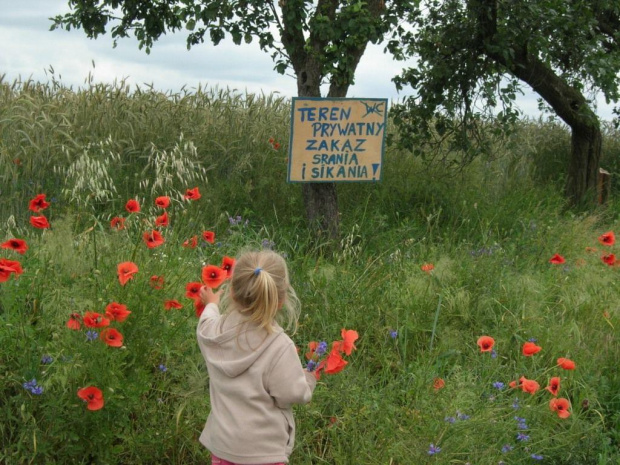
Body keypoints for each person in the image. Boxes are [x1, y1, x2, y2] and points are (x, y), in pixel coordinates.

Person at [196, 249, 316, 465]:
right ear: (280, 300)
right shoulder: (279, 346)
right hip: (264, 455)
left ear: (232, 292)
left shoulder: (213, 334)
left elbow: (206, 320)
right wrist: (308, 379)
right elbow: (293, 394)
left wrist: (211, 303)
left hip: (223, 451)